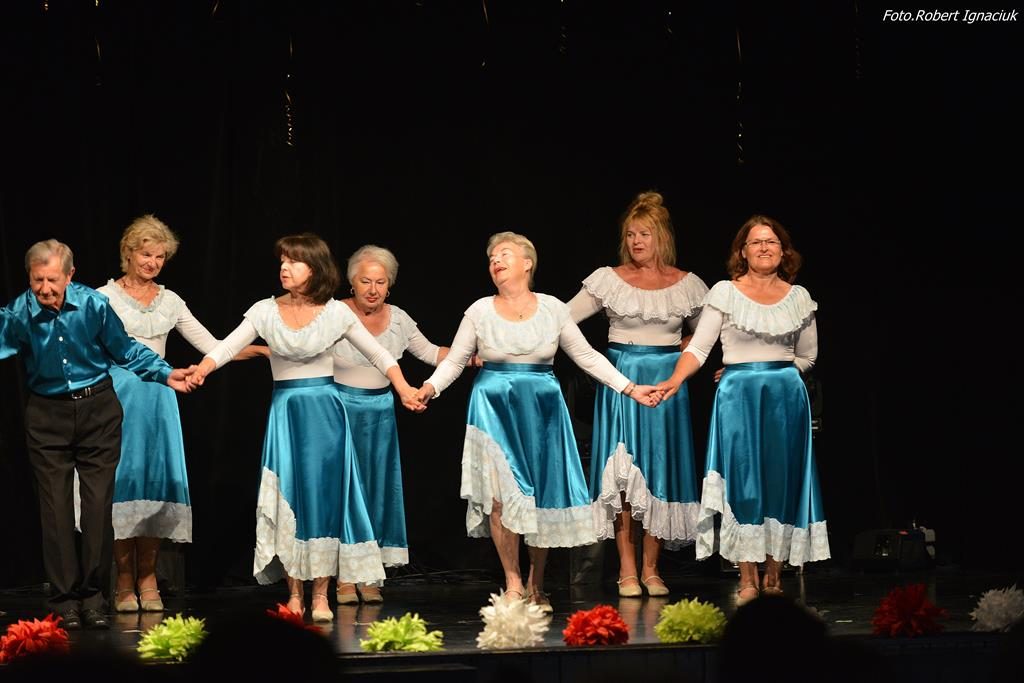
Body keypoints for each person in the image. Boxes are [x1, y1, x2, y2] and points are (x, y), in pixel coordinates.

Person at [414, 231, 661, 613]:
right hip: (494, 409)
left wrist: (629, 388)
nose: (496, 261)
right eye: (492, 257)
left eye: (505, 254)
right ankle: (513, 582)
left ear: (527, 263)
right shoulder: (480, 310)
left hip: (542, 411)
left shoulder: (552, 309)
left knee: (540, 498)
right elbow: (457, 359)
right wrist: (430, 388)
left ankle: (536, 584)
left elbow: (586, 356)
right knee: (501, 497)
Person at [189, 233, 424, 623]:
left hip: (326, 414)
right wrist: (203, 369)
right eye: (282, 261)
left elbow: (379, 354)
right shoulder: (265, 310)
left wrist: (403, 388)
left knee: (325, 499)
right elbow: (226, 346)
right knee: (290, 499)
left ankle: (320, 594)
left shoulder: (334, 313)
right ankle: (295, 592)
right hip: (287, 413)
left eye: (293, 261)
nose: (284, 268)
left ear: (314, 269)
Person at [0, 239, 194, 630]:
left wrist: (165, 373)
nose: (45, 289)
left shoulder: (93, 305)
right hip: (48, 415)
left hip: (98, 411)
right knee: (55, 510)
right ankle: (64, 601)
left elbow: (127, 350)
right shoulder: (18, 313)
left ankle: (92, 596)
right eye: (37, 280)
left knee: (98, 507)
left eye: (53, 280)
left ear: (70, 275)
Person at [93, 215, 266, 613]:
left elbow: (213, 346)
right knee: (123, 483)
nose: (152, 263)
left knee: (156, 485)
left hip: (159, 400)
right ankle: (123, 580)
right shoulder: (103, 298)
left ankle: (148, 576)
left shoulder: (170, 301)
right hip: (118, 400)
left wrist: (261, 349)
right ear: (128, 253)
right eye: (146, 254)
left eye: (159, 257)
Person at [654, 215, 829, 605]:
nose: (764, 247)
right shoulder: (725, 292)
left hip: (785, 398)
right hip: (738, 399)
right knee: (743, 482)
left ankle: (774, 575)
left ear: (783, 251)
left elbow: (808, 356)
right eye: (756, 242)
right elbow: (700, 348)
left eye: (771, 242)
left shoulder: (799, 297)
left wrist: (769, 370)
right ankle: (748, 576)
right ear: (742, 252)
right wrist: (676, 379)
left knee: (782, 482)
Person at [567, 191, 708, 598]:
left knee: (659, 471)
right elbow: (560, 319)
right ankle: (627, 570)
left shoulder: (687, 284)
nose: (636, 242)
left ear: (661, 236)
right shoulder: (609, 280)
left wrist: (682, 353)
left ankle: (651, 568)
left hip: (666, 386)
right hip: (623, 383)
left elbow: (709, 331)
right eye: (630, 235)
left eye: (644, 234)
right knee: (624, 476)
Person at [332, 244, 449, 605]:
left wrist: (472, 354)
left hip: (380, 414)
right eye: (365, 281)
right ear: (352, 282)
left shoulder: (398, 319)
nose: (372, 289)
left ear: (389, 285)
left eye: (380, 282)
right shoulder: (335, 313)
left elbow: (431, 352)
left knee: (376, 491)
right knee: (345, 492)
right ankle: (343, 576)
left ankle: (369, 573)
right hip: (340, 411)